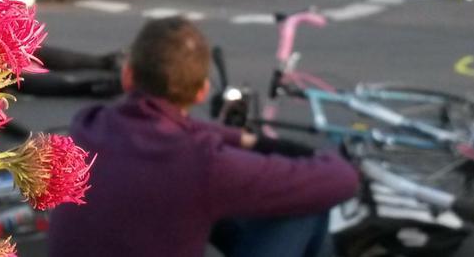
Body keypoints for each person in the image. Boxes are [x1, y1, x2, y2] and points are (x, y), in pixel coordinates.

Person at [49, 16, 359, 257]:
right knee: (307, 205)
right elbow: (343, 179)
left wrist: (247, 140)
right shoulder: (204, 164)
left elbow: (162, 123)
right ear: (202, 92)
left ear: (128, 76)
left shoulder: (88, 124)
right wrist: (312, 154)